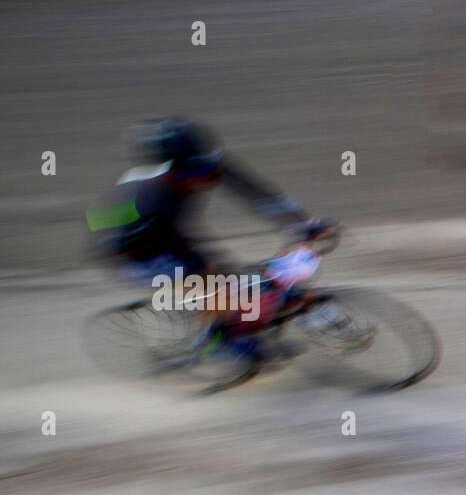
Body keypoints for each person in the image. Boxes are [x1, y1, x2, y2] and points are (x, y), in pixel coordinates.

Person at [86, 118, 335, 362]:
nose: (203, 177)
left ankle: (237, 319)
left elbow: (255, 192)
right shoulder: (153, 198)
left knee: (232, 279)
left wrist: (301, 223)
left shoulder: (197, 165)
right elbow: (178, 248)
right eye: (191, 172)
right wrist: (217, 278)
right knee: (212, 280)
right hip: (130, 252)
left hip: (162, 236)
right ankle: (222, 343)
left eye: (202, 166)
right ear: (171, 172)